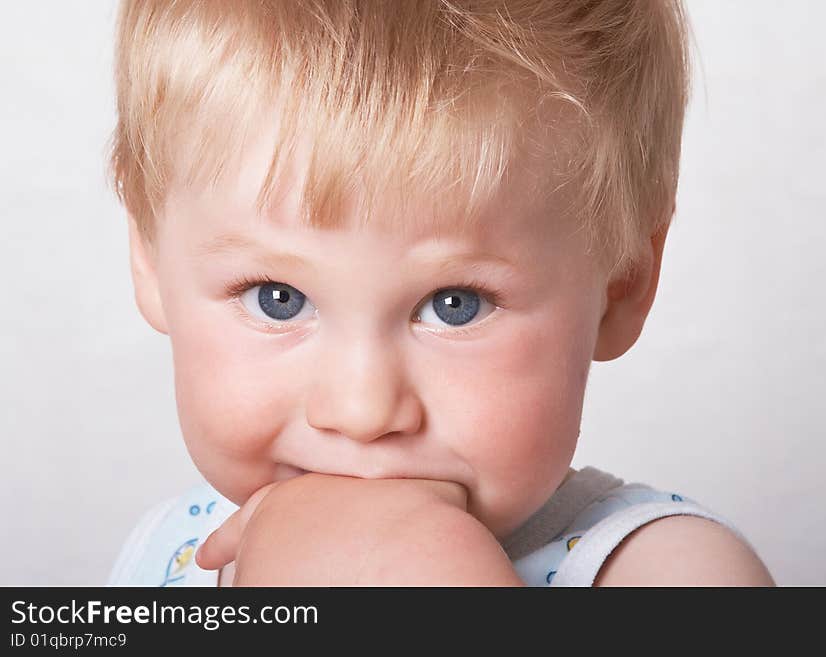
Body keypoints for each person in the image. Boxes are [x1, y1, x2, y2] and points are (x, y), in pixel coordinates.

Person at [105, 0, 774, 587]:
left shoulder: (670, 570)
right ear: (151, 257)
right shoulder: (166, 556)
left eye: (456, 303)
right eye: (278, 297)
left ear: (622, 283)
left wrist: (416, 569)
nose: (362, 410)